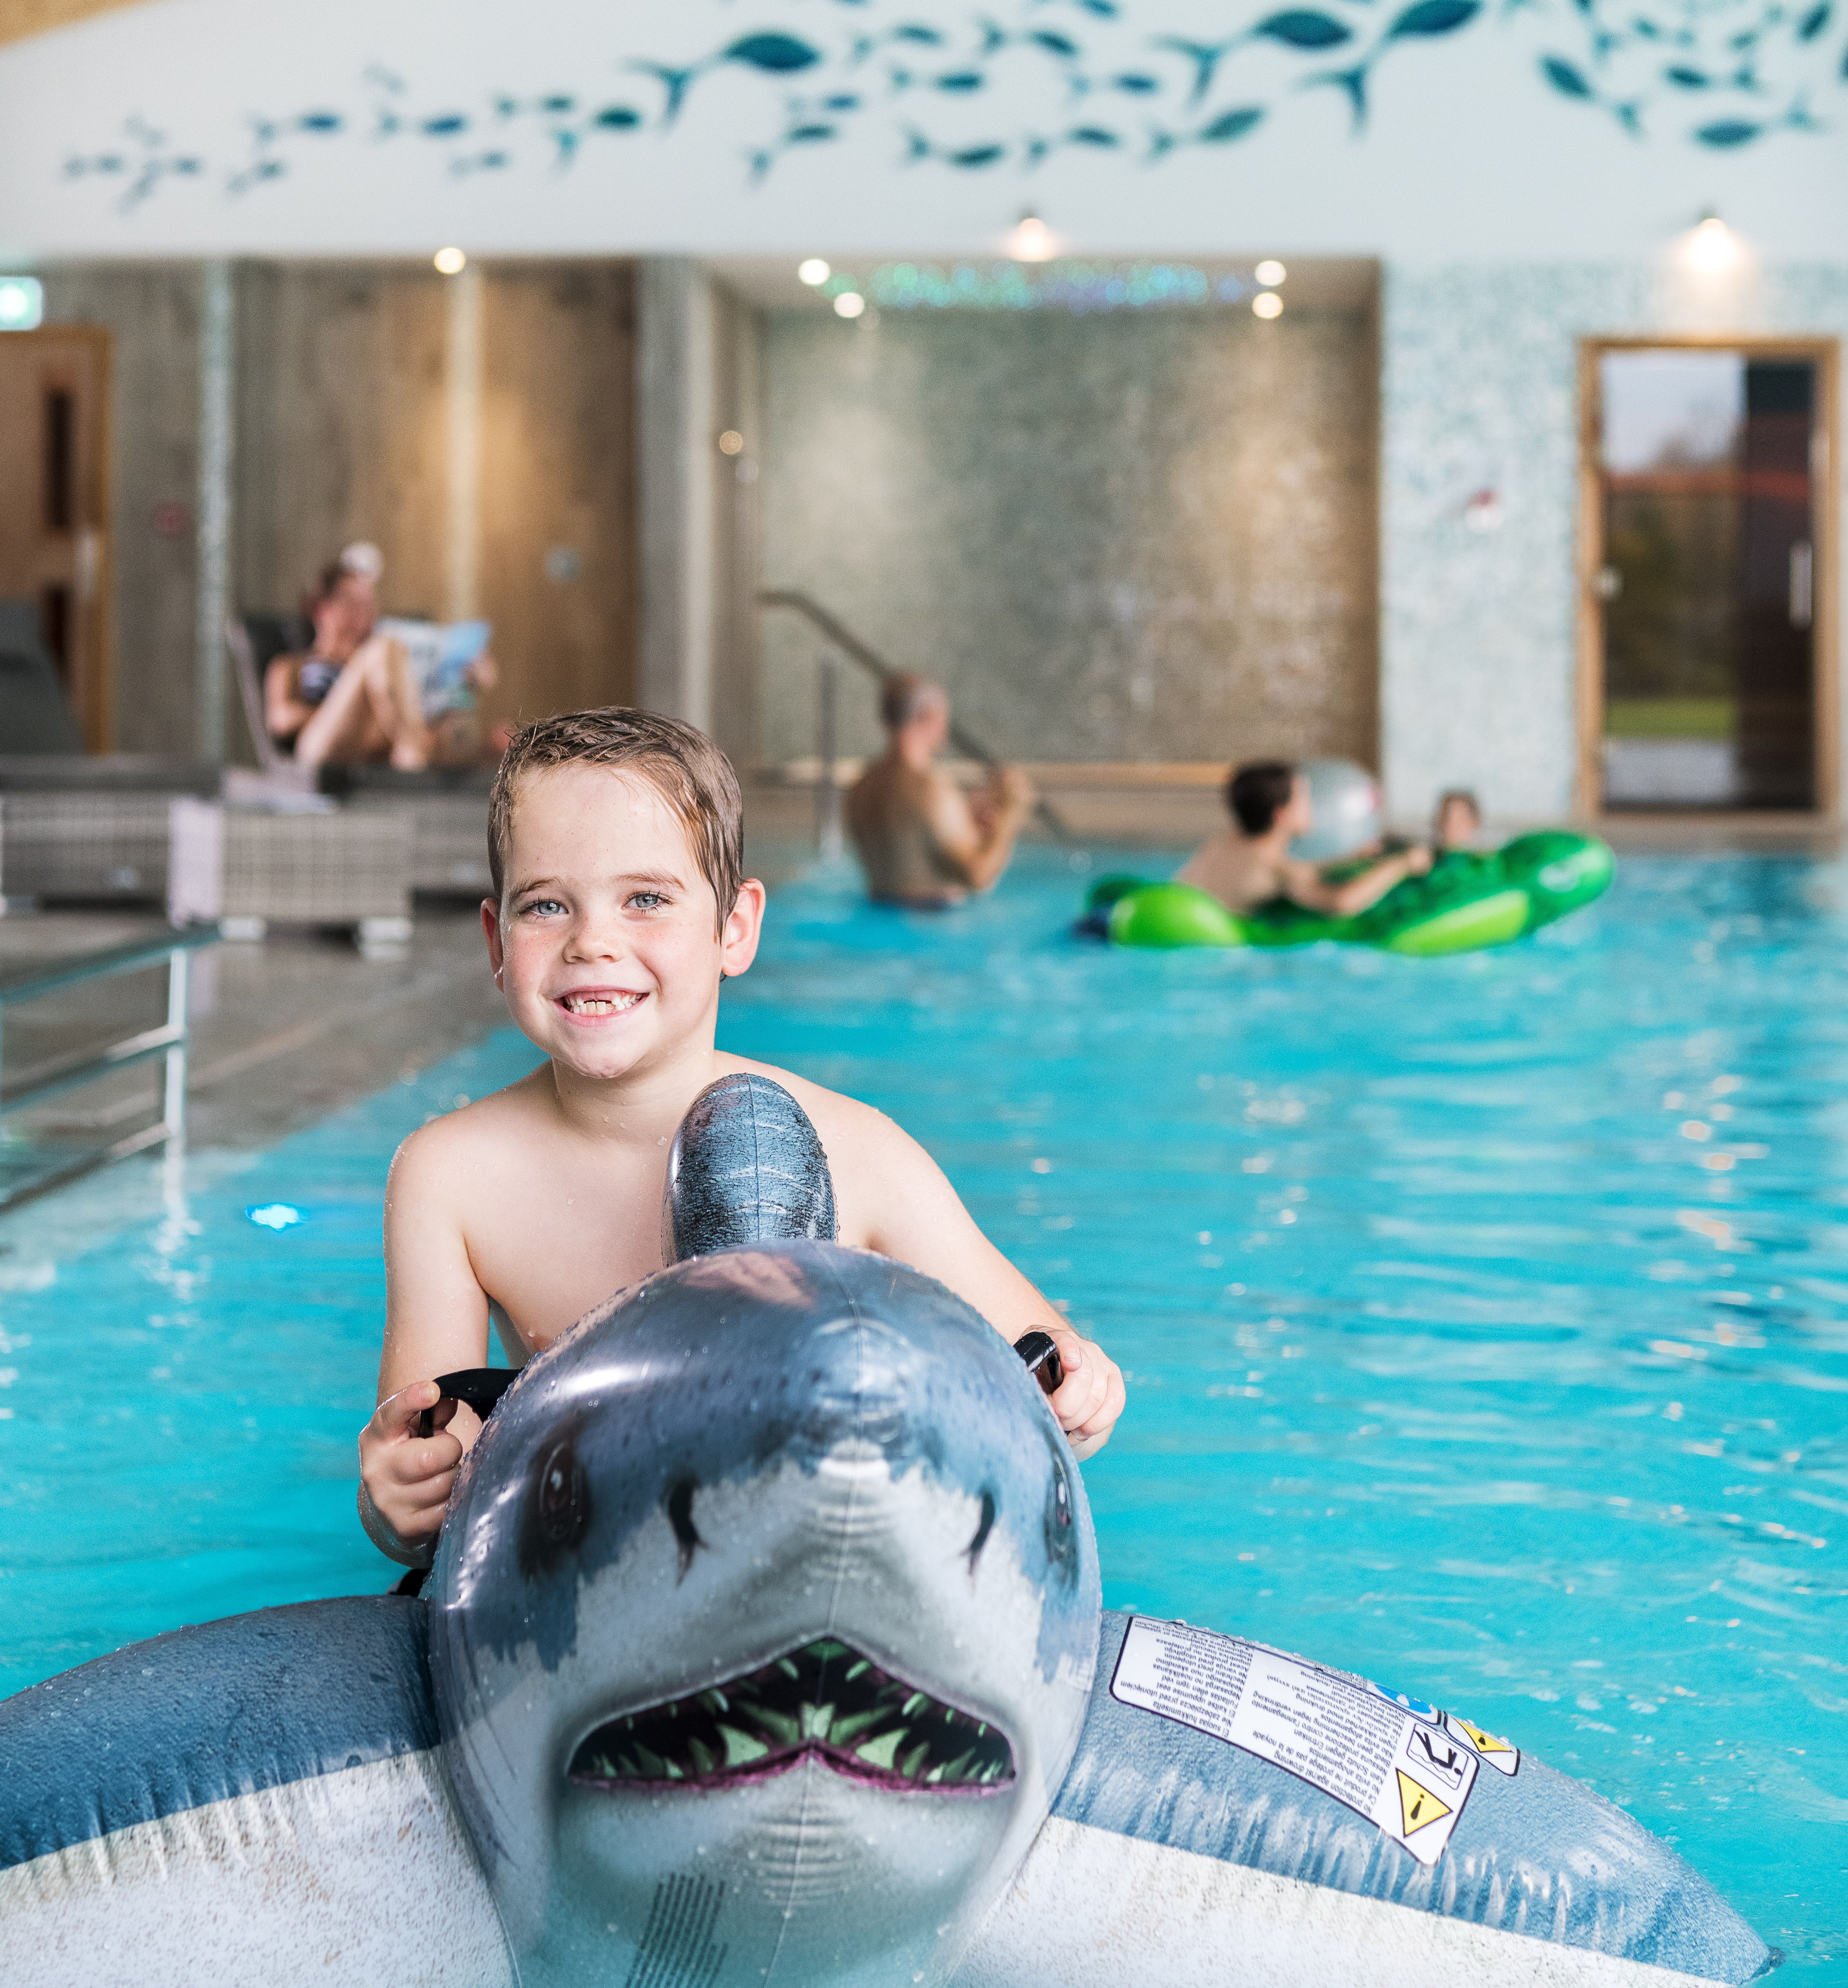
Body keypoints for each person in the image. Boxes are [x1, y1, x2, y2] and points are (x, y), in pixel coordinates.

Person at [357, 707, 1125, 1568]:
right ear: (498, 942)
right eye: (547, 906)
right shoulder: (453, 1175)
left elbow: (1042, 1361)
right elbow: (431, 1445)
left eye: (646, 898)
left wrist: (1079, 1391)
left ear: (735, 927)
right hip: (604, 1553)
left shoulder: (858, 1150)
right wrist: (402, 1498)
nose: (593, 942)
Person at [263, 548, 498, 770]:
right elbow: (281, 718)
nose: (364, 615)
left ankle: (415, 761)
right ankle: (413, 759)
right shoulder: (292, 665)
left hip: (377, 746)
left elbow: (422, 719)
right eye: (353, 603)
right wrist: (362, 710)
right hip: (318, 747)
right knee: (383, 647)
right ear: (322, 608)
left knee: (394, 662)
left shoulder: (380, 667)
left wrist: (466, 686)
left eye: (368, 606)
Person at [847, 674, 1035, 906]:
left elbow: (915, 853)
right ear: (929, 715)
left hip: (877, 918)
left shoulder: (861, 786)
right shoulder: (932, 789)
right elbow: (978, 877)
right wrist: (1010, 813)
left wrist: (965, 819)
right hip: (932, 924)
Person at [1177, 759, 1432, 918]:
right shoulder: (1275, 869)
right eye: (1303, 798)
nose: (1312, 805)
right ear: (1281, 816)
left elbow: (1303, 871)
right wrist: (1402, 865)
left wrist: (1352, 860)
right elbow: (1341, 903)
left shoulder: (1223, 842)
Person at [1433, 788, 1484, 852]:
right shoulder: (1432, 857)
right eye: (1450, 819)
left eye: (1462, 820)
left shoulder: (1484, 858)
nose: (1456, 826)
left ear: (1474, 822)